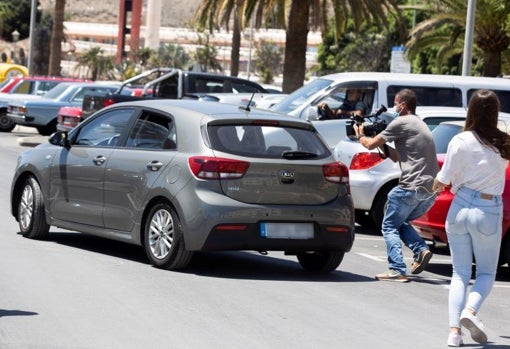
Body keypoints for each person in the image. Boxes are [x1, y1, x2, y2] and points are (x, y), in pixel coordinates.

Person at [432, 89, 510, 347]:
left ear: (471, 111)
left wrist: (433, 186)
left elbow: (443, 179)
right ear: (495, 112)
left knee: (459, 273)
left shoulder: (460, 140)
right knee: (487, 271)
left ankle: (454, 333)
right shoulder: (504, 143)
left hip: (460, 205)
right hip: (488, 209)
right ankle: (471, 311)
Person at [354, 88, 438, 282]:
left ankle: (397, 269)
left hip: (410, 188)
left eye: (396, 103)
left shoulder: (401, 121)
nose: (394, 106)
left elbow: (369, 144)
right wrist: (384, 143)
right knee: (399, 221)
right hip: (428, 192)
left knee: (389, 225)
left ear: (403, 105)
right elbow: (397, 157)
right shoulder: (418, 123)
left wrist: (360, 135)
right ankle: (421, 249)